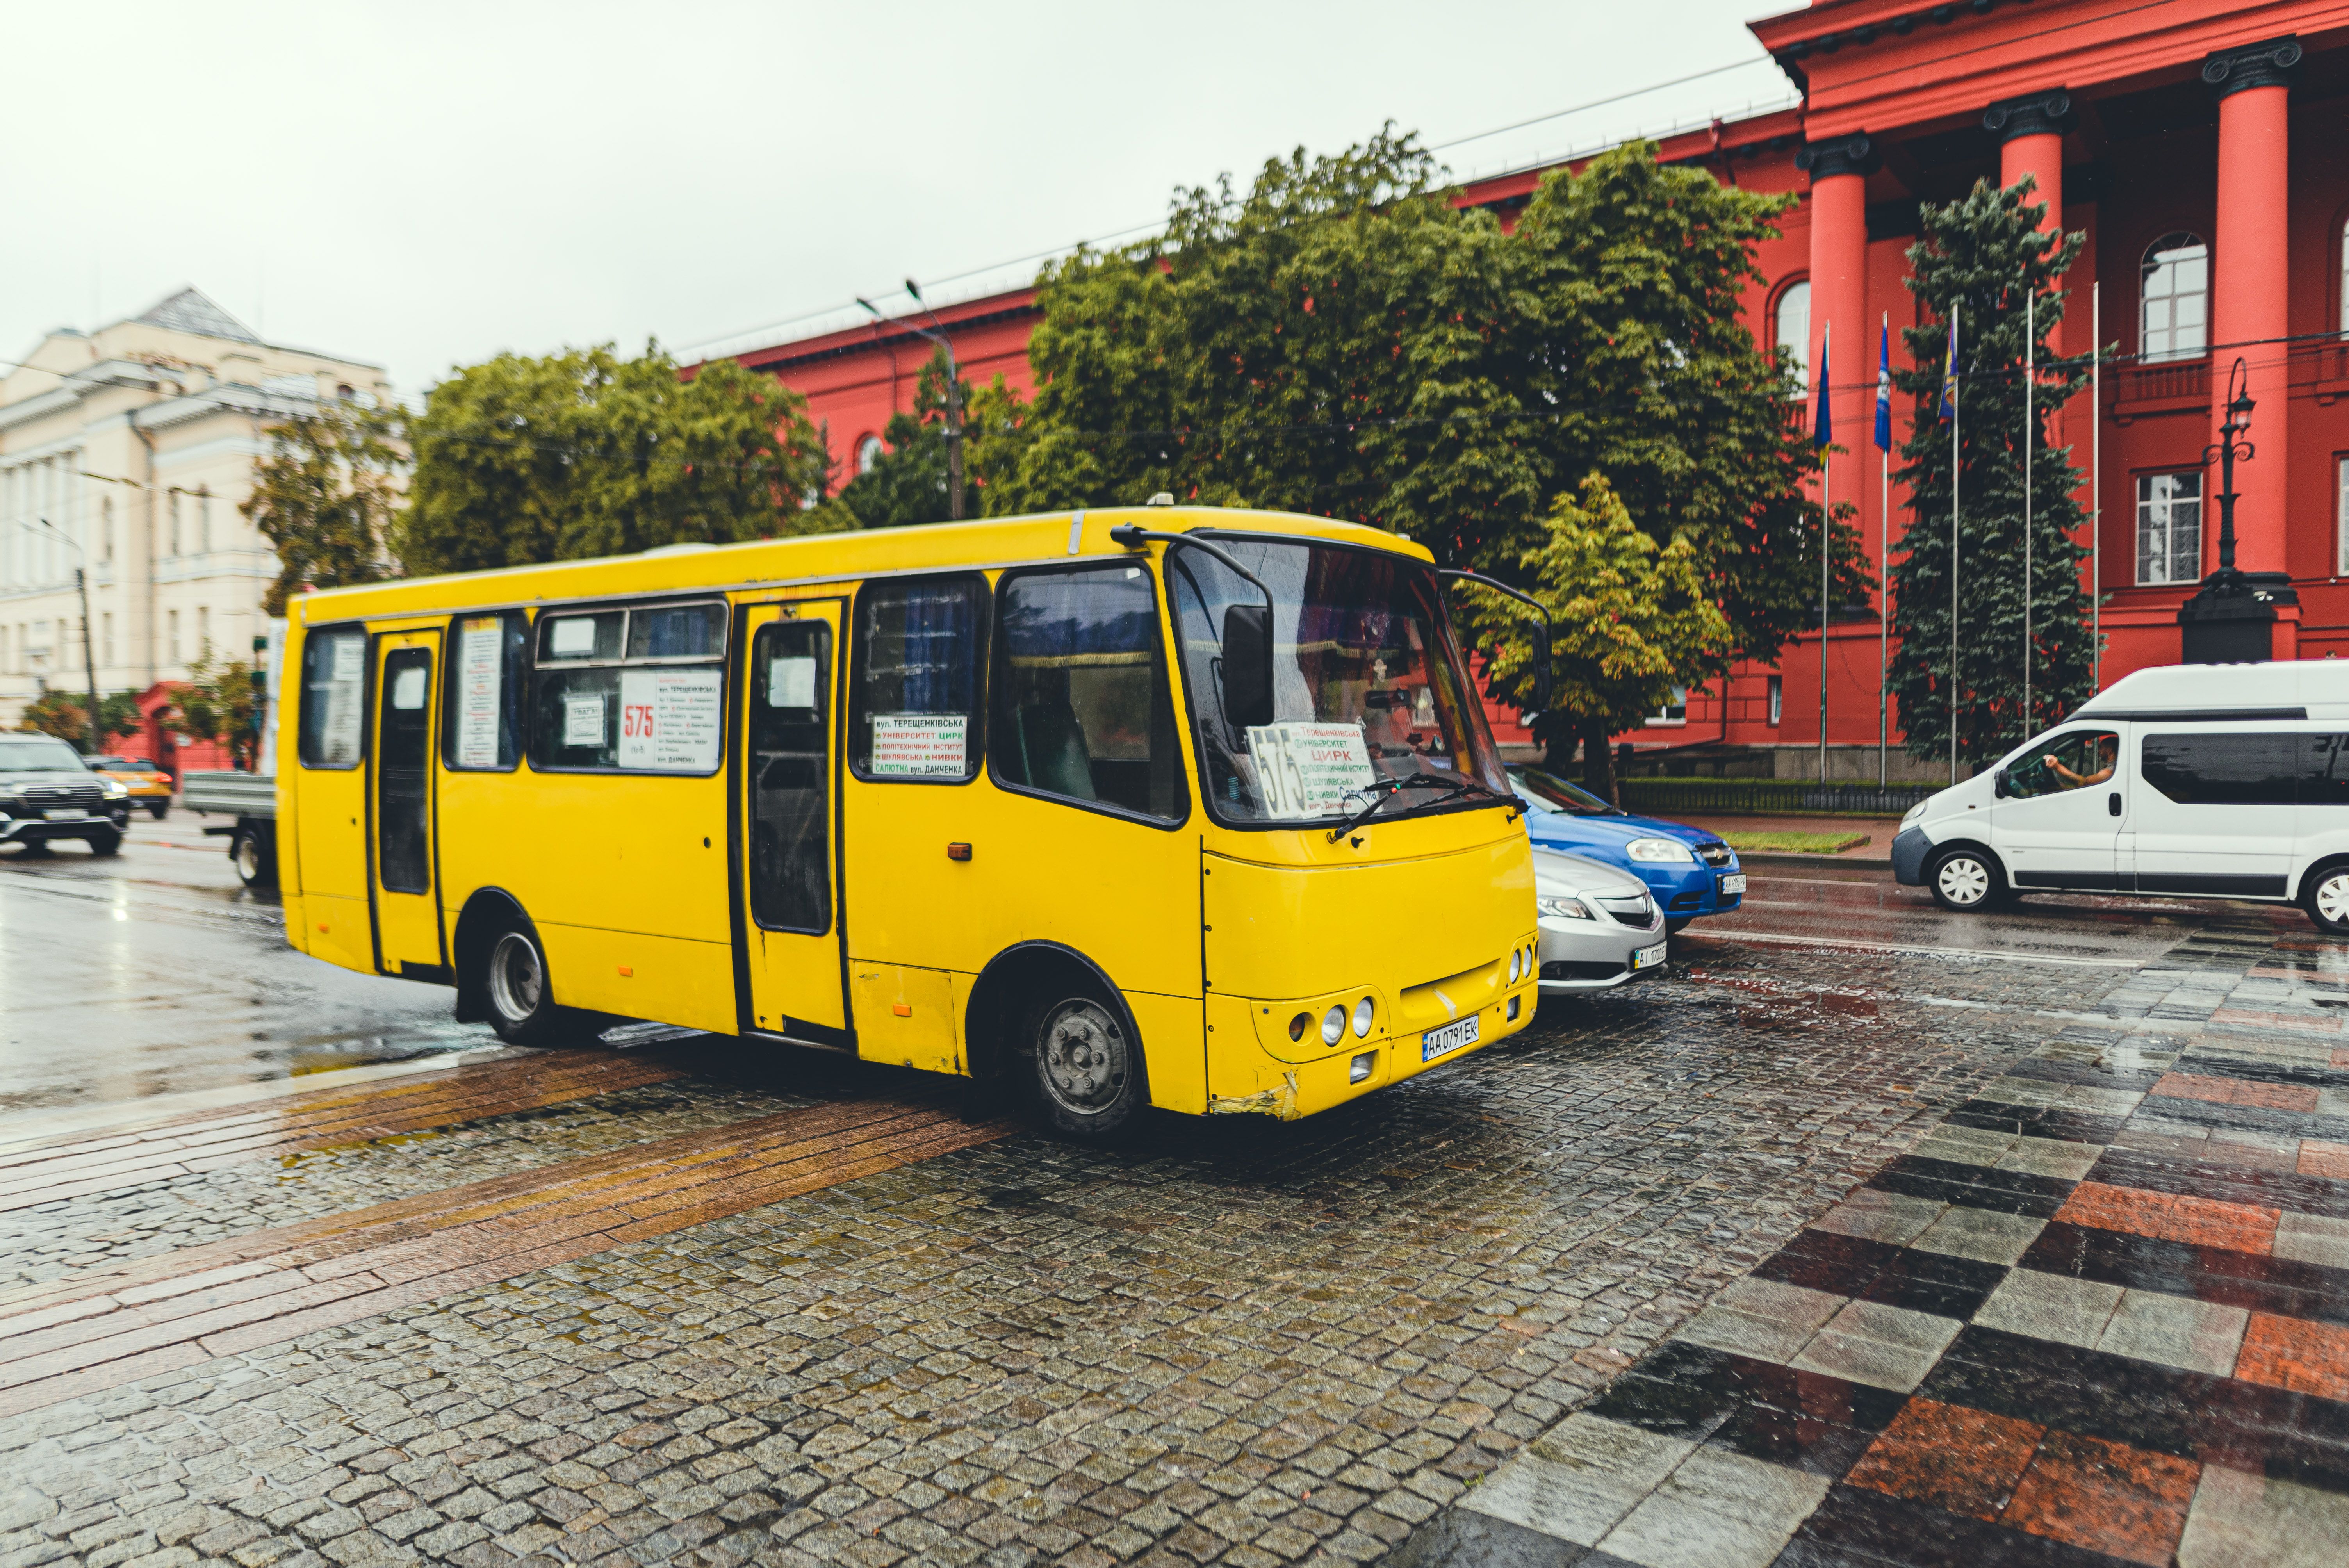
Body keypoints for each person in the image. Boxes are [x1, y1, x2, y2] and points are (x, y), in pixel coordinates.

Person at [2046, 734, 2117, 790]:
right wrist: (2063, 787)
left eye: (2101, 748)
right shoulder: (2113, 767)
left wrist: (2058, 767)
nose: (2098, 751)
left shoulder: (2110, 771)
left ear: (2109, 750)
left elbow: (2085, 783)